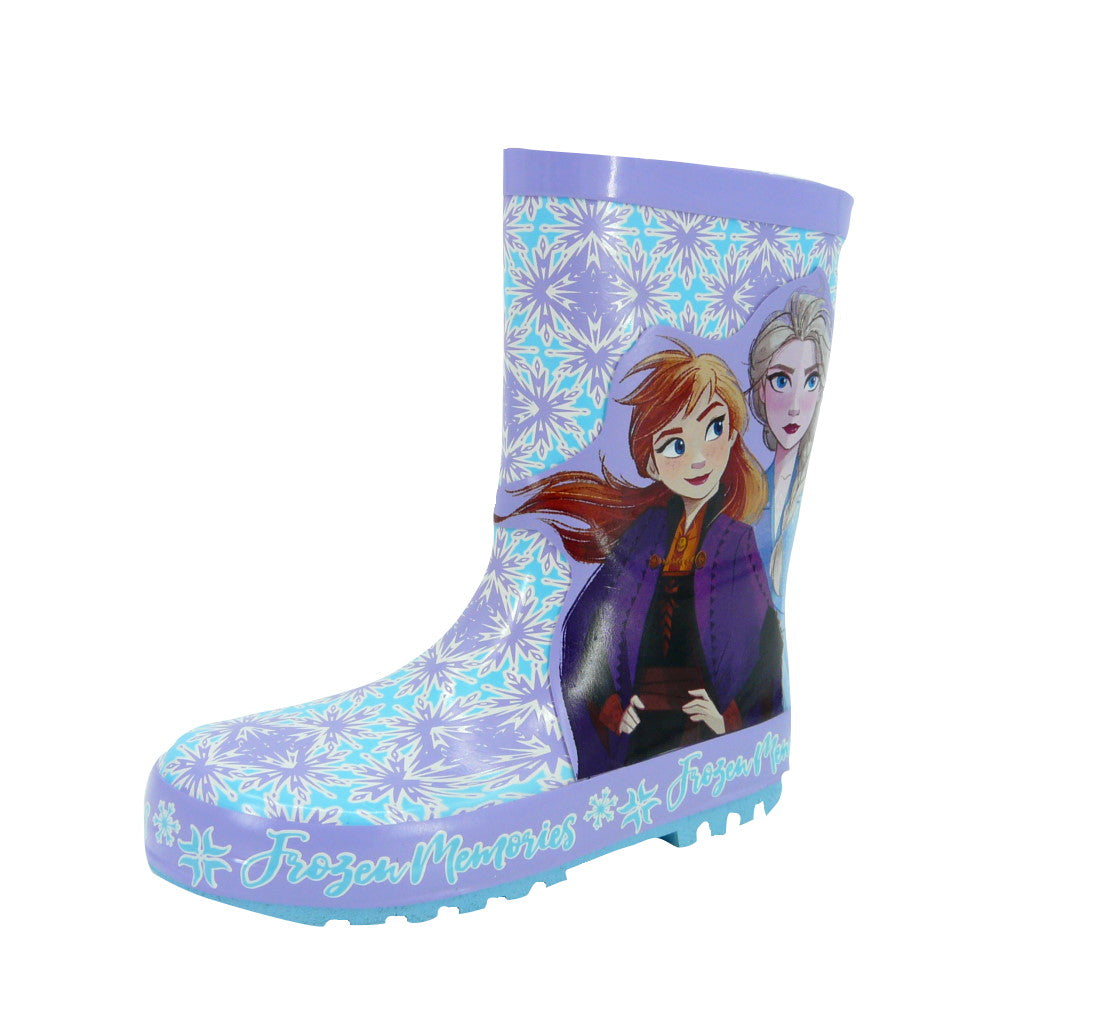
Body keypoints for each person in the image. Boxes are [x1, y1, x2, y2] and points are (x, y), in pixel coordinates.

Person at [500, 339, 782, 778]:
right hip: (641, 725)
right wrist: (612, 708)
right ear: (650, 463)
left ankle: (738, 762)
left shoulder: (736, 540)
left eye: (713, 428)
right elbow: (587, 622)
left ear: (732, 433)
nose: (698, 457)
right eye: (674, 445)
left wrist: (728, 717)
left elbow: (763, 641)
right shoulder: (643, 535)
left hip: (701, 727)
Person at [747, 292, 832, 610]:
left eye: (811, 380)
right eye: (781, 380)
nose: (796, 406)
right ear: (761, 389)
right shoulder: (752, 496)